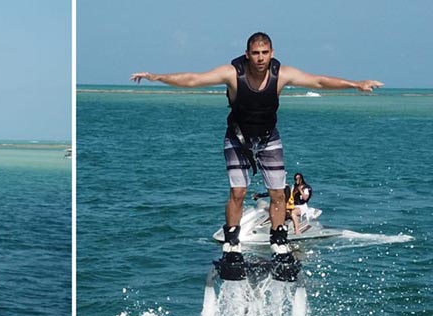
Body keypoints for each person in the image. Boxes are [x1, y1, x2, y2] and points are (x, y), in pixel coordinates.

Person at [131, 32, 381, 278]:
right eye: (255, 53)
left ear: (272, 53)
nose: (260, 58)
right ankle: (232, 243)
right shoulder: (233, 73)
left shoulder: (281, 74)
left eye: (264, 53)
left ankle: (279, 242)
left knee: (278, 193)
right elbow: (194, 79)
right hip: (237, 138)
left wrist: (355, 84)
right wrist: (157, 77)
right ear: (247, 54)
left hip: (268, 138)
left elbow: (318, 81)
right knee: (238, 192)